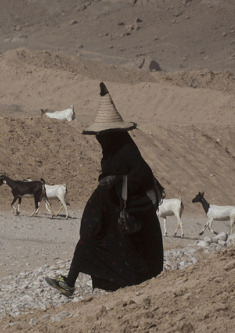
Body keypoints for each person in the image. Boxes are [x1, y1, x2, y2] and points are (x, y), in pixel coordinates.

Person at [45, 82, 164, 296]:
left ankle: (71, 283)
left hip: (133, 215)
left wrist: (115, 182)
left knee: (93, 241)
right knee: (89, 240)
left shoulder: (127, 153)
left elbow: (140, 177)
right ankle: (69, 282)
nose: (101, 139)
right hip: (113, 213)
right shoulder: (113, 153)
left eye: (103, 135)